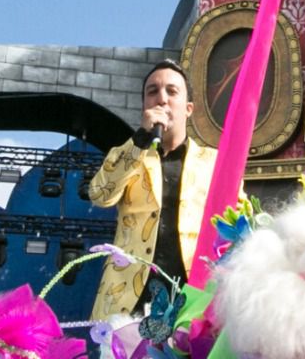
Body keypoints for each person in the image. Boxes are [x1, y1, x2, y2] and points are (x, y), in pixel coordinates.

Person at [89, 59, 224, 320]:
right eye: (153, 92)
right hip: (129, 297)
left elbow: (235, 225)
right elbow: (100, 195)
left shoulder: (215, 162)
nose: (161, 99)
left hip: (193, 297)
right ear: (144, 105)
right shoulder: (128, 155)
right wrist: (140, 139)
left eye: (171, 91)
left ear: (188, 109)